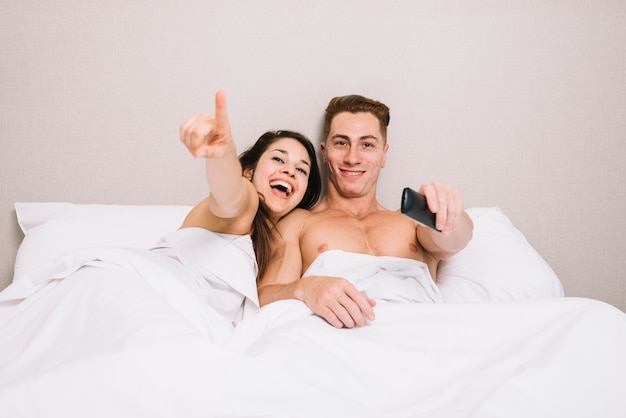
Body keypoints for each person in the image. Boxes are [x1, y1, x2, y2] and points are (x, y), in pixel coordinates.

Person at [257, 94, 473, 328]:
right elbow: (265, 296)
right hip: (338, 343)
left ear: (383, 155)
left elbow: (456, 239)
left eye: (367, 145)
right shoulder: (300, 222)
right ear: (324, 151)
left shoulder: (411, 220)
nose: (352, 157)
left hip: (419, 335)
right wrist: (305, 288)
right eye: (341, 143)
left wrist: (449, 210)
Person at [179, 90, 322, 279]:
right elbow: (230, 197)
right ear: (248, 171)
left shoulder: (277, 242)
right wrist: (223, 153)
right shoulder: (248, 202)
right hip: (151, 284)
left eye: (302, 170)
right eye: (278, 159)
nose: (290, 171)